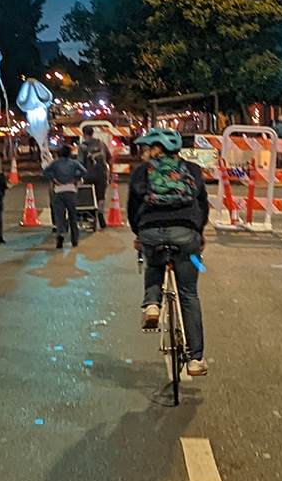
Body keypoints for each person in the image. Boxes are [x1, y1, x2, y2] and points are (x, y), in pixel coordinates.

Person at [127, 127, 210, 376]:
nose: (145, 153)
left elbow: (132, 206)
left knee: (154, 262)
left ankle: (152, 305)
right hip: (186, 234)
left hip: (150, 232)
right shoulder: (192, 170)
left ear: (156, 149)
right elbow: (202, 203)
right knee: (189, 295)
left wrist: (139, 235)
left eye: (147, 148)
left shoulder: (142, 171)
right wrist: (199, 232)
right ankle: (195, 359)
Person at [43, 144, 86, 249]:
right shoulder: (74, 163)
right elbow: (84, 171)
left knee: (60, 217)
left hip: (59, 191)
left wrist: (54, 179)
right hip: (70, 190)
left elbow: (45, 172)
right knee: (73, 216)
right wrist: (75, 178)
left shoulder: (55, 163)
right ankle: (74, 239)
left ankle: (60, 237)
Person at [79, 132, 113, 229]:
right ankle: (100, 214)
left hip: (87, 174)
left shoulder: (82, 146)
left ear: (84, 135)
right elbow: (109, 159)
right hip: (101, 174)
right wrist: (110, 175)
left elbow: (80, 162)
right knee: (101, 196)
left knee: (88, 196)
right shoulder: (101, 144)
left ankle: (90, 216)